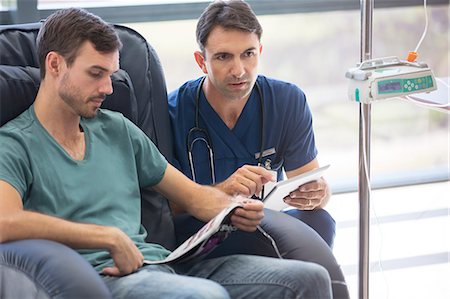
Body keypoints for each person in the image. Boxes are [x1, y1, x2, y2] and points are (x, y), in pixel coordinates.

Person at [0, 7, 333, 299]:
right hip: (106, 277)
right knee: (204, 296)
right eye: (96, 74)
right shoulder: (14, 144)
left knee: (307, 279)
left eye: (112, 74)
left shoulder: (117, 129)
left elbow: (195, 198)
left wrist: (235, 207)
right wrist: (108, 237)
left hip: (164, 264)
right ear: (55, 64)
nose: (108, 88)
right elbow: (4, 220)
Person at [168, 0, 350, 298]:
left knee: (319, 220)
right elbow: (159, 210)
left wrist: (317, 194)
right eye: (223, 57)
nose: (238, 70)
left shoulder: (286, 101)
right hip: (205, 237)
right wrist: (221, 191)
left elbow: (311, 186)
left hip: (263, 226)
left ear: (260, 52)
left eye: (248, 54)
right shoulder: (173, 112)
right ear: (202, 61)